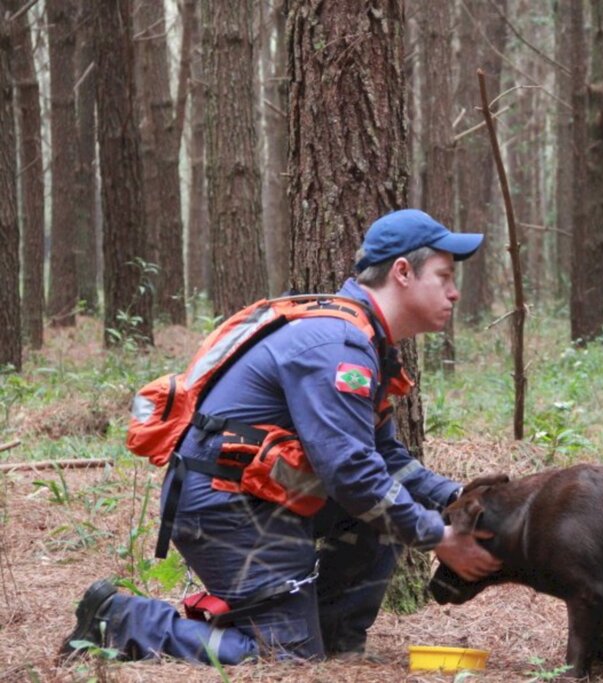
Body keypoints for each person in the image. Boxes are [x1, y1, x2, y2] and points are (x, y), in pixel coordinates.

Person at [58, 209, 501, 664]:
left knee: (378, 516)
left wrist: (455, 496)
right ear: (403, 272)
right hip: (227, 505)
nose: (454, 291)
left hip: (260, 498)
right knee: (282, 657)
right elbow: (350, 471)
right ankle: (124, 621)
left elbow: (384, 456)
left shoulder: (361, 338)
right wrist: (437, 536)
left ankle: (331, 638)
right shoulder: (338, 347)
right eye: (444, 276)